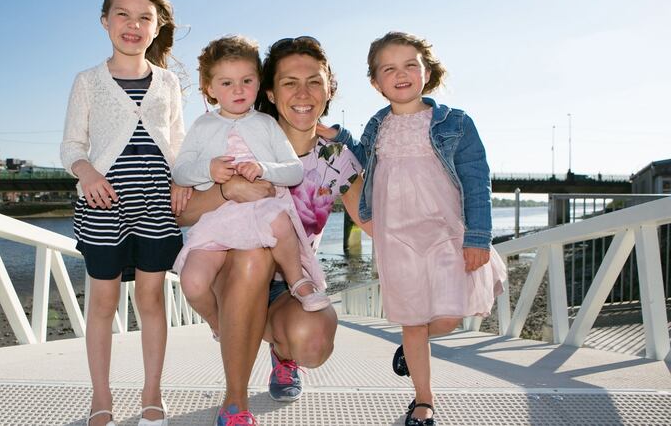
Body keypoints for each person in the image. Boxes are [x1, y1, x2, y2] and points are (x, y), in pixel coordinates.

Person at [176, 36, 368, 425]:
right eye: (288, 82)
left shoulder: (336, 157)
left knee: (311, 344)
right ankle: (236, 402)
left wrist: (453, 243)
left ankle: (281, 353)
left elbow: (372, 222)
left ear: (329, 87)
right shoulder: (234, 133)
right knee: (252, 258)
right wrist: (226, 189)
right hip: (230, 270)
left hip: (289, 282)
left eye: (314, 81)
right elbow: (182, 215)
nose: (303, 93)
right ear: (270, 90)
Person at [324, 31, 508, 425]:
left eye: (410, 65)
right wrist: (339, 137)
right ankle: (423, 400)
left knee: (450, 313)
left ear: (427, 71)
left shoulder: (454, 123)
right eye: (388, 69)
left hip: (445, 231)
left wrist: (478, 237)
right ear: (375, 82)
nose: (401, 74)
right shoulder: (377, 127)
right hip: (397, 238)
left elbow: (477, 181)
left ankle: (413, 347)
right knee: (412, 318)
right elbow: (359, 161)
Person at [59, 0, 188, 425]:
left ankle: (152, 391)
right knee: (103, 302)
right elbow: (72, 146)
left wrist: (182, 181)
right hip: (103, 205)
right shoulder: (88, 81)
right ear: (104, 21)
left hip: (156, 203)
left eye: (144, 17)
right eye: (123, 14)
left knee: (152, 299)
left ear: (157, 27)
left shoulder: (168, 83)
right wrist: (87, 171)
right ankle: (101, 396)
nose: (133, 25)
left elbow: (179, 144)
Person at [173, 36, 331, 343]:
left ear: (258, 84)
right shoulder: (202, 127)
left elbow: (294, 170)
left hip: (261, 210)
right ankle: (218, 322)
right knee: (192, 282)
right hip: (219, 218)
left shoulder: (266, 125)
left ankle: (297, 281)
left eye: (247, 80)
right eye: (227, 83)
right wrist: (207, 170)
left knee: (280, 222)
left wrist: (263, 168)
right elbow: (180, 170)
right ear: (210, 88)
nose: (238, 90)